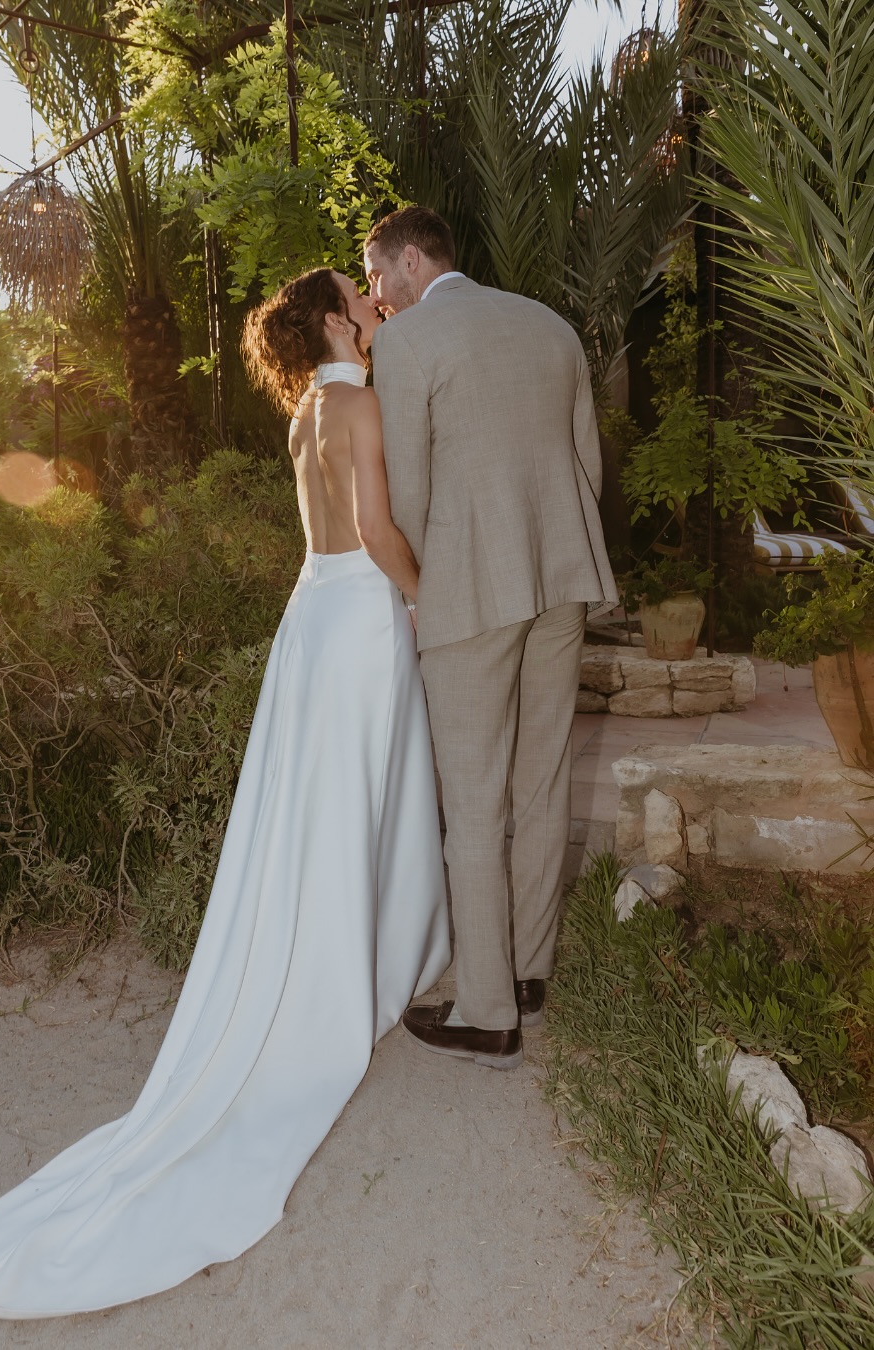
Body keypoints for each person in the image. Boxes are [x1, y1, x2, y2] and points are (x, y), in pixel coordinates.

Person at [0, 267, 450, 1320]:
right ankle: (367, 969)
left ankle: (355, 956)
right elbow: (383, 533)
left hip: (310, 615)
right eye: (360, 298)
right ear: (333, 321)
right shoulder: (361, 400)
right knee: (367, 797)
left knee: (323, 806)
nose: (373, 305)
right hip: (357, 620)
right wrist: (430, 602)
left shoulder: (309, 409)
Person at [364, 206, 617, 1069]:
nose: (373, 294)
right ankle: (530, 975)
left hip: (469, 592)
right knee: (543, 779)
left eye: (374, 275)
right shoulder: (549, 326)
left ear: (406, 262)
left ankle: (487, 1012)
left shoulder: (405, 343)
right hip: (562, 579)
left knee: (473, 801)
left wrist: (421, 595)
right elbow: (587, 464)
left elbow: (408, 495)